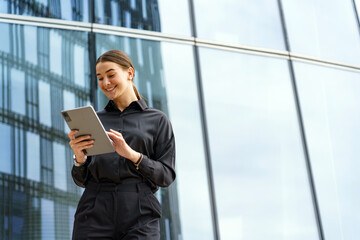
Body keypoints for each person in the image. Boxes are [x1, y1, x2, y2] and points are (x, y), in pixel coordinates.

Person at [67, 49, 176, 240]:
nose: (105, 83)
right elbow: (82, 180)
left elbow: (166, 175)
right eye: (100, 78)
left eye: (111, 75)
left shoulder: (157, 120)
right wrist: (79, 158)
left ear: (130, 73)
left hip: (140, 211)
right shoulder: (94, 120)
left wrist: (132, 155)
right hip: (94, 209)